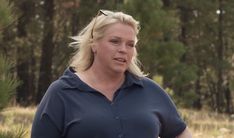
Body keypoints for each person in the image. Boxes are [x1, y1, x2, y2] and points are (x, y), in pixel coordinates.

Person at [31, 9, 192, 138]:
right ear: (94, 44)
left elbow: (180, 133)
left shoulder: (150, 91)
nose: (123, 49)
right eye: (115, 41)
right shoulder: (61, 93)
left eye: (130, 44)